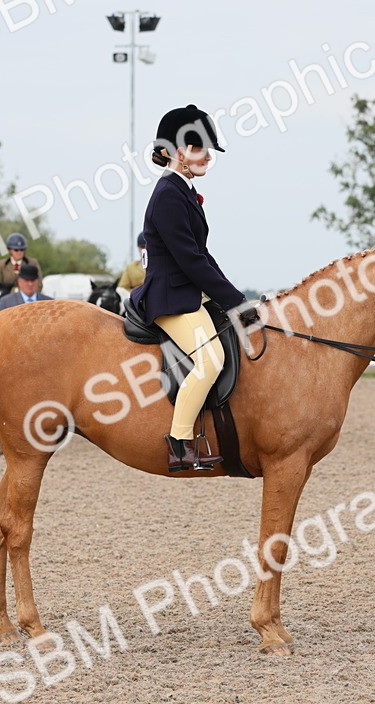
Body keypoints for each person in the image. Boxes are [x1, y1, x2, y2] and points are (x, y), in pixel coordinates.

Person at [130, 104, 259, 472]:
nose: (206, 157)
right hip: (170, 299)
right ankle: (179, 441)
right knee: (210, 360)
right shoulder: (169, 194)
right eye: (199, 148)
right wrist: (233, 302)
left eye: (207, 149)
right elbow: (191, 262)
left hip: (188, 295)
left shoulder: (182, 190)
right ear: (175, 151)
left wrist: (237, 298)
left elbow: (204, 255)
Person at [0, 263, 53, 456]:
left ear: (38, 282)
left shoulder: (49, 302)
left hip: (40, 361)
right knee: (7, 402)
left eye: (33, 281)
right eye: (26, 281)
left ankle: (40, 437)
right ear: (19, 282)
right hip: (12, 359)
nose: (30, 284)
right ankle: (1, 440)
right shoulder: (6, 302)